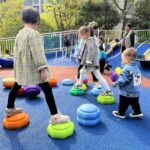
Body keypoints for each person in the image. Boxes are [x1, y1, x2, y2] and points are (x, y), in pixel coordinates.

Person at [4, 7, 70, 125]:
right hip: (33, 68)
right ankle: (55, 116)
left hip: (22, 68)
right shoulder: (33, 34)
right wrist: (42, 68)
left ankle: (9, 109)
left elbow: (17, 51)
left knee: (16, 85)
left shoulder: (20, 33)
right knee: (47, 89)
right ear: (36, 20)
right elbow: (38, 53)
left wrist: (18, 68)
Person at [74, 26, 112, 96]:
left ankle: (108, 90)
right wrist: (80, 56)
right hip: (91, 62)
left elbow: (91, 51)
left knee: (97, 76)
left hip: (91, 62)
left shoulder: (90, 40)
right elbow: (84, 50)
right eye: (81, 35)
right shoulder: (87, 40)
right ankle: (108, 90)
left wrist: (89, 60)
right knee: (83, 72)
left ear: (88, 33)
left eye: (83, 35)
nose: (82, 37)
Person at [112, 48, 143, 119]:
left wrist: (116, 83)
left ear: (127, 58)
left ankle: (121, 113)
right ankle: (137, 112)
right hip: (136, 92)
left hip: (127, 92)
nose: (122, 60)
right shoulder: (136, 68)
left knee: (123, 103)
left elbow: (123, 80)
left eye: (122, 58)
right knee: (135, 103)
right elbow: (138, 80)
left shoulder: (127, 69)